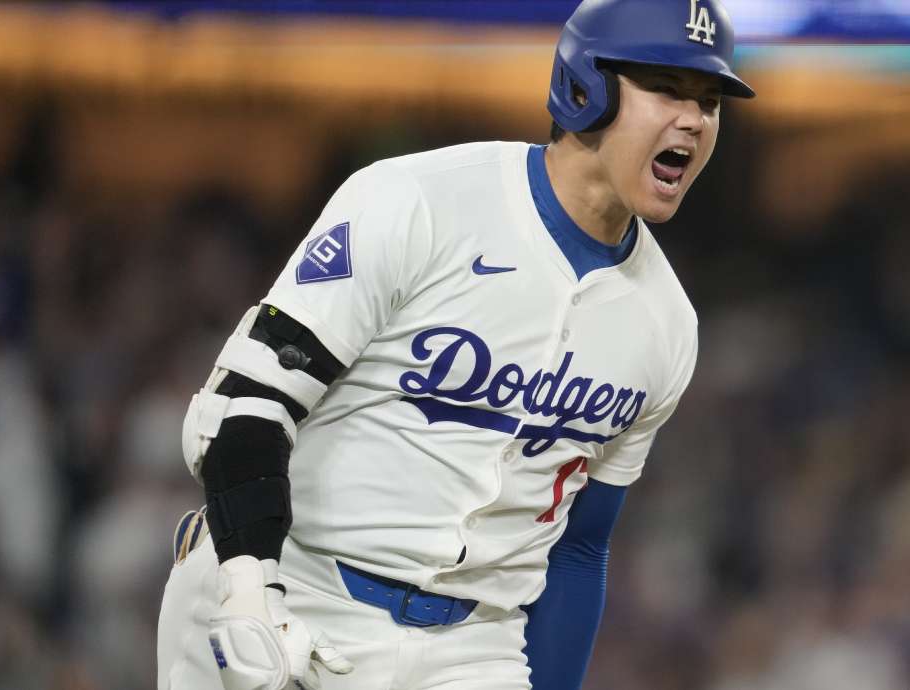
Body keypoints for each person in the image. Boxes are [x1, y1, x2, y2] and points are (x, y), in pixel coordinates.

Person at [156, 1, 754, 688]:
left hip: (470, 647)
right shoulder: (419, 200)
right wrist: (248, 589)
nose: (695, 119)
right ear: (586, 86)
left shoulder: (667, 323)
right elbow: (243, 406)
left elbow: (580, 549)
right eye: (668, 88)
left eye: (709, 100)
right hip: (291, 582)